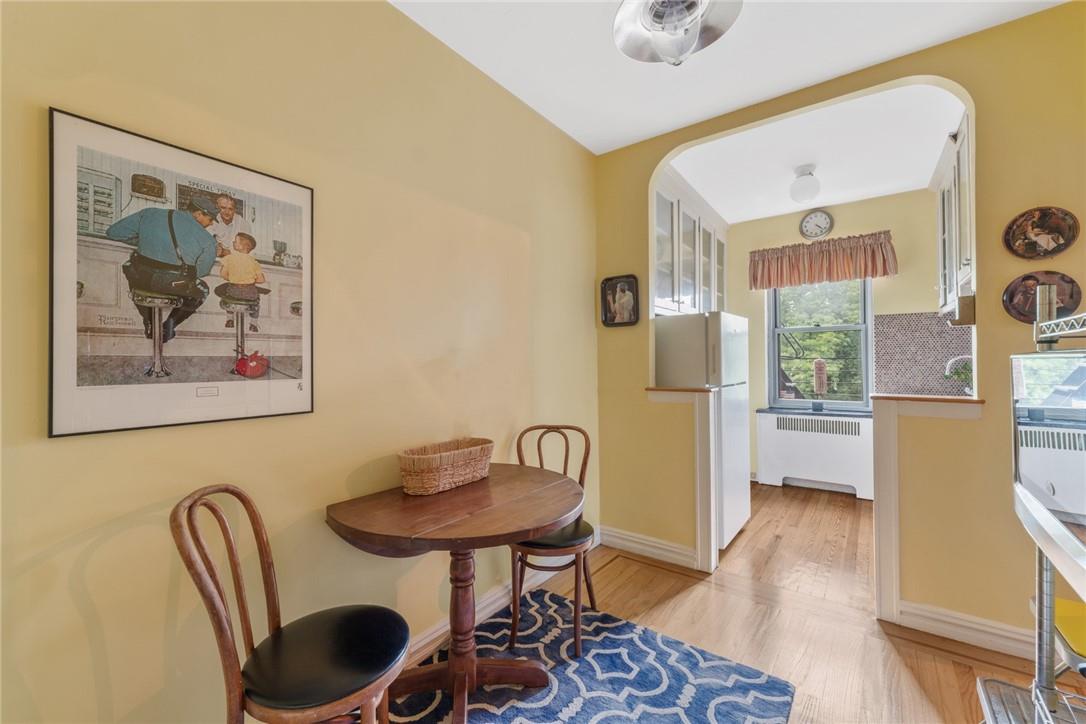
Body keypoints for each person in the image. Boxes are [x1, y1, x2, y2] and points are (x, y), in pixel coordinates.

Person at [107, 198, 219, 342]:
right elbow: (201, 272)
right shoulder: (208, 240)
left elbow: (113, 232)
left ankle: (149, 321)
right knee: (201, 290)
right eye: (209, 219)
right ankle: (166, 328)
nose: (210, 224)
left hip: (140, 279)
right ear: (198, 214)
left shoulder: (149, 213)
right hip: (171, 284)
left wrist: (143, 241)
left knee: (130, 266)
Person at [215, 232, 267, 333]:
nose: (233, 242)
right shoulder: (254, 261)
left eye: (235, 241)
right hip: (249, 293)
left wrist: (234, 279)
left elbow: (223, 274)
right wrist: (250, 281)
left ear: (242, 246)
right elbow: (261, 280)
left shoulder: (229, 258)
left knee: (225, 293)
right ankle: (253, 323)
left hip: (234, 291)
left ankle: (230, 319)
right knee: (257, 300)